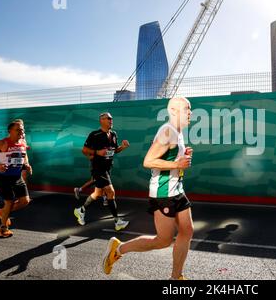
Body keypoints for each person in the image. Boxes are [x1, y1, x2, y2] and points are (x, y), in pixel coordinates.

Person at [102, 97, 194, 280]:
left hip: (177, 190)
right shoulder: (168, 132)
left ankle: (176, 277)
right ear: (174, 111)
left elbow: (167, 158)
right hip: (163, 193)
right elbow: (148, 161)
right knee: (163, 240)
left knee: (187, 230)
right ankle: (118, 249)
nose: (190, 112)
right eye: (186, 108)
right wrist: (178, 165)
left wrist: (181, 157)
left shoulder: (177, 131)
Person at [73, 112, 130, 231]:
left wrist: (122, 147)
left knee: (97, 193)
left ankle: (81, 210)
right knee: (111, 192)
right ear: (101, 121)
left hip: (107, 168)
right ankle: (117, 222)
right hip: (98, 168)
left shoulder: (114, 134)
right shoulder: (95, 134)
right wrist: (97, 152)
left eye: (111, 118)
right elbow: (84, 150)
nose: (111, 120)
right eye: (108, 118)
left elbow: (114, 151)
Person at [0, 122, 32, 238]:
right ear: (10, 131)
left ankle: (2, 213)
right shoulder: (2, 143)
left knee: (25, 201)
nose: (21, 132)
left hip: (17, 177)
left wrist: (27, 165)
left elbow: (24, 155)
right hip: (4, 177)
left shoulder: (23, 142)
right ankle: (3, 228)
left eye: (22, 130)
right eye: (18, 130)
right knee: (9, 202)